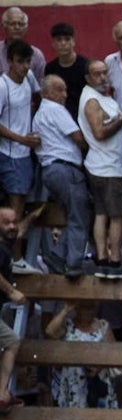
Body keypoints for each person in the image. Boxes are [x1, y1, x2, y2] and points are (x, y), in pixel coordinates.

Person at [31, 74, 89, 279]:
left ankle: (57, 255)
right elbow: (78, 137)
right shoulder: (55, 109)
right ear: (45, 93)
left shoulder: (39, 114)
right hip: (65, 169)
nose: (64, 95)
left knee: (75, 215)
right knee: (79, 217)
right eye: (59, 89)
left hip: (50, 171)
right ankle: (73, 264)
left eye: (65, 90)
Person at [79, 59, 122, 280]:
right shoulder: (91, 100)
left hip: (106, 164)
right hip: (107, 167)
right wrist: (121, 121)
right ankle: (114, 259)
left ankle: (102, 258)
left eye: (104, 73)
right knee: (116, 216)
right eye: (96, 74)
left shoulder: (102, 96)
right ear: (88, 78)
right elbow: (99, 132)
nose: (102, 78)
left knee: (101, 213)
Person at [0, 38, 39, 274]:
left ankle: (15, 258)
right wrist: (21, 138)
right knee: (14, 211)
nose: (24, 67)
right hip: (9, 154)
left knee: (20, 207)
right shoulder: (2, 86)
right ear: (9, 62)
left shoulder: (29, 78)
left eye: (27, 62)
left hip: (25, 154)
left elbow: (38, 96)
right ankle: (15, 259)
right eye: (20, 62)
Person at [0, 206, 25, 415]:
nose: (11, 227)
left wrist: (33, 217)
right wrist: (11, 292)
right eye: (6, 222)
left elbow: (18, 232)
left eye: (14, 222)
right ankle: (1, 393)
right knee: (11, 341)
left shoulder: (6, 244)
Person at [46, 22, 89, 117]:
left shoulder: (85, 65)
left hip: (83, 117)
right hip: (59, 118)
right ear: (53, 43)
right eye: (59, 40)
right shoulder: (50, 68)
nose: (63, 43)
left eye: (67, 39)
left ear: (73, 41)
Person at [0, 8, 45, 84]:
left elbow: (41, 84)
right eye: (12, 24)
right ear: (3, 26)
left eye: (21, 24)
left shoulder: (36, 55)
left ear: (26, 28)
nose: (17, 27)